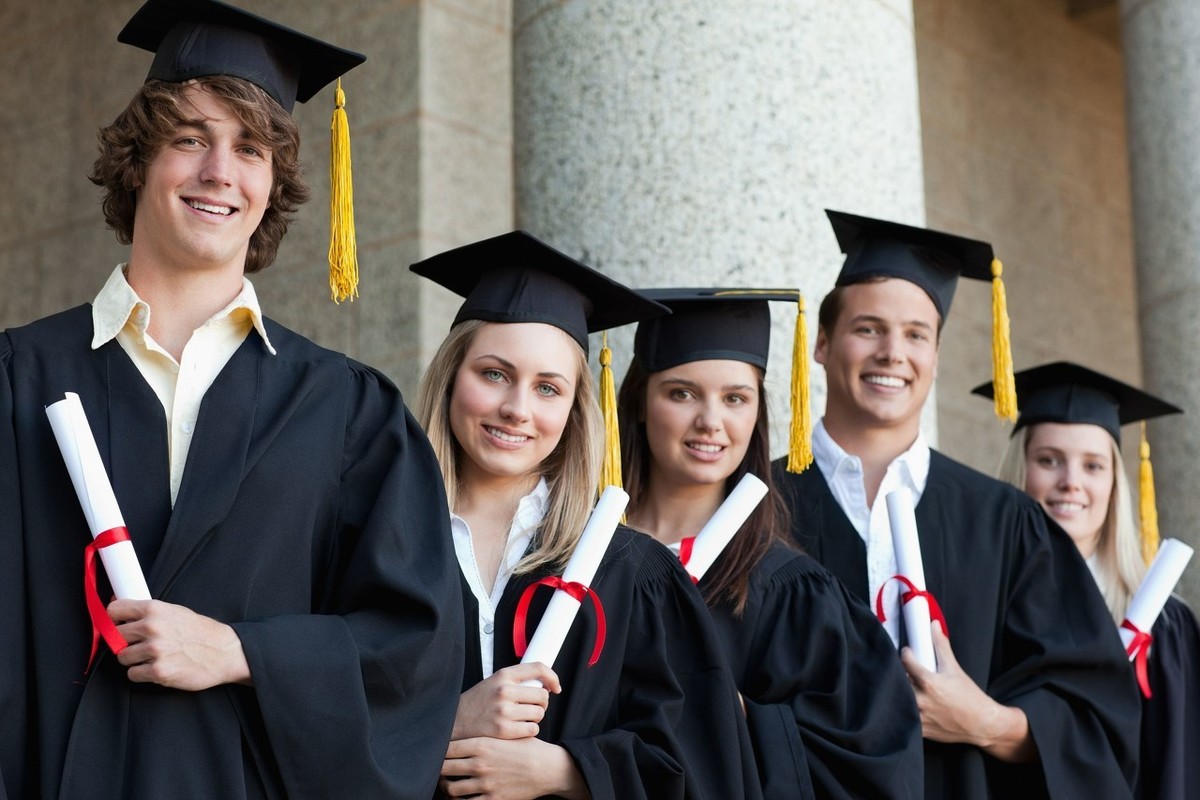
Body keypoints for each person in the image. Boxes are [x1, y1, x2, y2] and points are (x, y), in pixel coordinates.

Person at [0, 1, 464, 797]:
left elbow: (410, 650)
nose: (220, 171)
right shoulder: (17, 380)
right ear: (138, 161)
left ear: (273, 182)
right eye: (190, 138)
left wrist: (241, 653)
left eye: (250, 148)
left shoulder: (347, 413)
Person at [772, 210, 1141, 799]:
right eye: (868, 328)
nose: (893, 352)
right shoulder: (756, 512)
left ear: (937, 357)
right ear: (822, 343)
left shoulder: (1006, 523)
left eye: (917, 334)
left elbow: (1098, 717)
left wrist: (988, 724)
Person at [410, 231, 762, 800]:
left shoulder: (631, 573)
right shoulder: (377, 543)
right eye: (494, 374)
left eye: (548, 388)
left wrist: (570, 772)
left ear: (575, 411)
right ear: (452, 376)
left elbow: (707, 766)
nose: (517, 409)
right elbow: (307, 722)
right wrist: (448, 721)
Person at [617, 287, 924, 799]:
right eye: (682, 392)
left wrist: (730, 714)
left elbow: (872, 768)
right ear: (641, 403)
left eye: (735, 398)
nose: (710, 421)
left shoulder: (790, 592)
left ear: (757, 413)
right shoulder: (576, 562)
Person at [980, 361, 1200, 800]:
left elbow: (1178, 773)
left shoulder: (1163, 627)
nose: (1070, 483)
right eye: (1049, 460)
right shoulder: (980, 607)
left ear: (1115, 484)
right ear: (1020, 471)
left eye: (1093, 466)